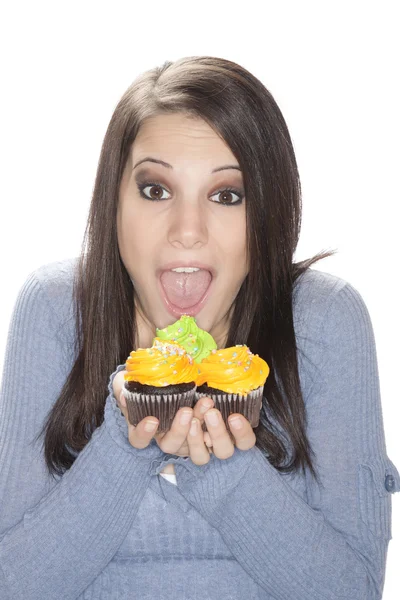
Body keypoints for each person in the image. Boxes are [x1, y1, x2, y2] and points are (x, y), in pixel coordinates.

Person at [0, 55, 398, 600]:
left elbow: (353, 590)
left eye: (227, 195)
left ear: (268, 215)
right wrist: (127, 439)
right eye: (156, 190)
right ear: (111, 205)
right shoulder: (54, 310)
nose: (187, 231)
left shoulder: (325, 321)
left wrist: (223, 468)